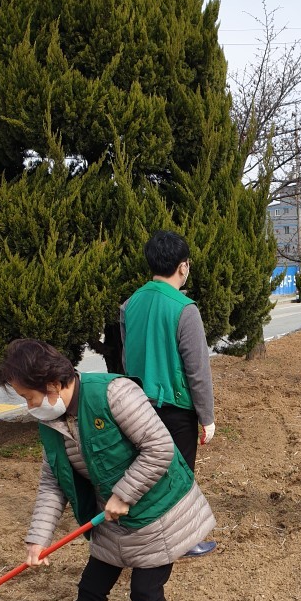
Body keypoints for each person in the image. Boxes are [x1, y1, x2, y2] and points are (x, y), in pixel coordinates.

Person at [0, 339, 216, 601]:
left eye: (29, 397)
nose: (28, 407)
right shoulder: (52, 423)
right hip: (111, 518)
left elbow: (159, 447)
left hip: (159, 512)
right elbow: (53, 482)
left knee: (145, 591)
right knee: (91, 587)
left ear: (53, 385)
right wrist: (37, 540)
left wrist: (125, 494)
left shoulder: (114, 394)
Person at [121, 230, 217, 558]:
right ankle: (184, 541)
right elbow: (197, 371)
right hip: (174, 406)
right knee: (179, 476)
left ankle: (147, 536)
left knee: (147, 472)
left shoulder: (130, 304)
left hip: (135, 404)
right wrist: (207, 417)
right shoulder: (184, 308)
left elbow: (126, 356)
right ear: (183, 266)